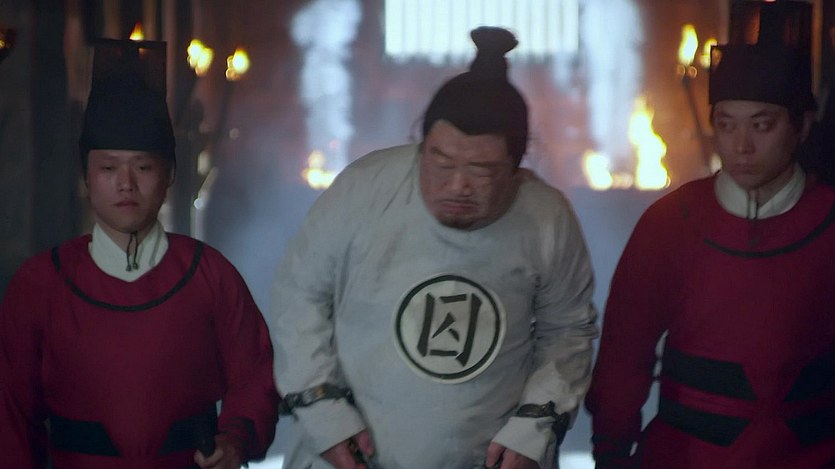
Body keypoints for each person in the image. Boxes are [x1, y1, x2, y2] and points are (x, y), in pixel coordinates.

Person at [270, 27, 598, 469]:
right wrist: (322, 411)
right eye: (441, 162)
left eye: (481, 170)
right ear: (421, 145)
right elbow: (299, 295)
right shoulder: (365, 189)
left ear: (516, 166)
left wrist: (534, 427)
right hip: (350, 452)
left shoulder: (546, 217)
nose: (457, 185)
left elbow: (568, 331)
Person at [0, 38, 279, 469]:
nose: (126, 183)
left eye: (143, 167)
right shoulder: (41, 283)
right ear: (87, 177)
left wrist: (235, 440)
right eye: (109, 168)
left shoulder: (209, 275)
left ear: (169, 175)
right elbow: (10, 411)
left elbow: (256, 377)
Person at [585, 2, 835, 468]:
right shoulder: (671, 223)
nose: (742, 146)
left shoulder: (827, 222)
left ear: (801, 126)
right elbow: (623, 357)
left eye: (762, 125)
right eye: (726, 124)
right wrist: (612, 452)